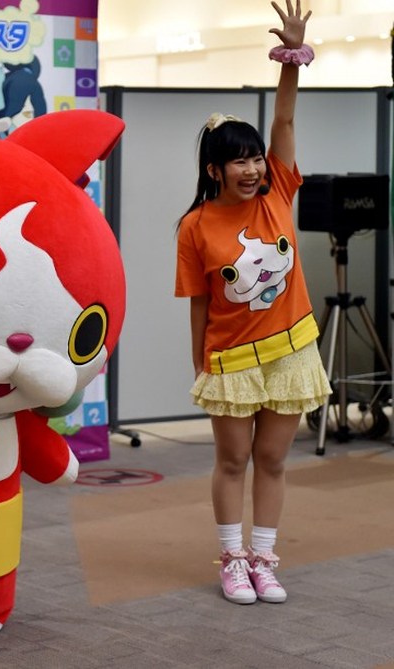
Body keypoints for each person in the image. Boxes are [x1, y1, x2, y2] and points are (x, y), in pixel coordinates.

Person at [174, 0, 331, 605]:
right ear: (215, 169)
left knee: (272, 459)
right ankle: (232, 558)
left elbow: (285, 121)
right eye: (239, 159)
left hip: (292, 347)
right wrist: (201, 362)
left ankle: (265, 558)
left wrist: (292, 59)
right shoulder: (196, 226)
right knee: (233, 461)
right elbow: (197, 302)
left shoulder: (276, 195)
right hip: (232, 357)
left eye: (255, 156)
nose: (252, 167)